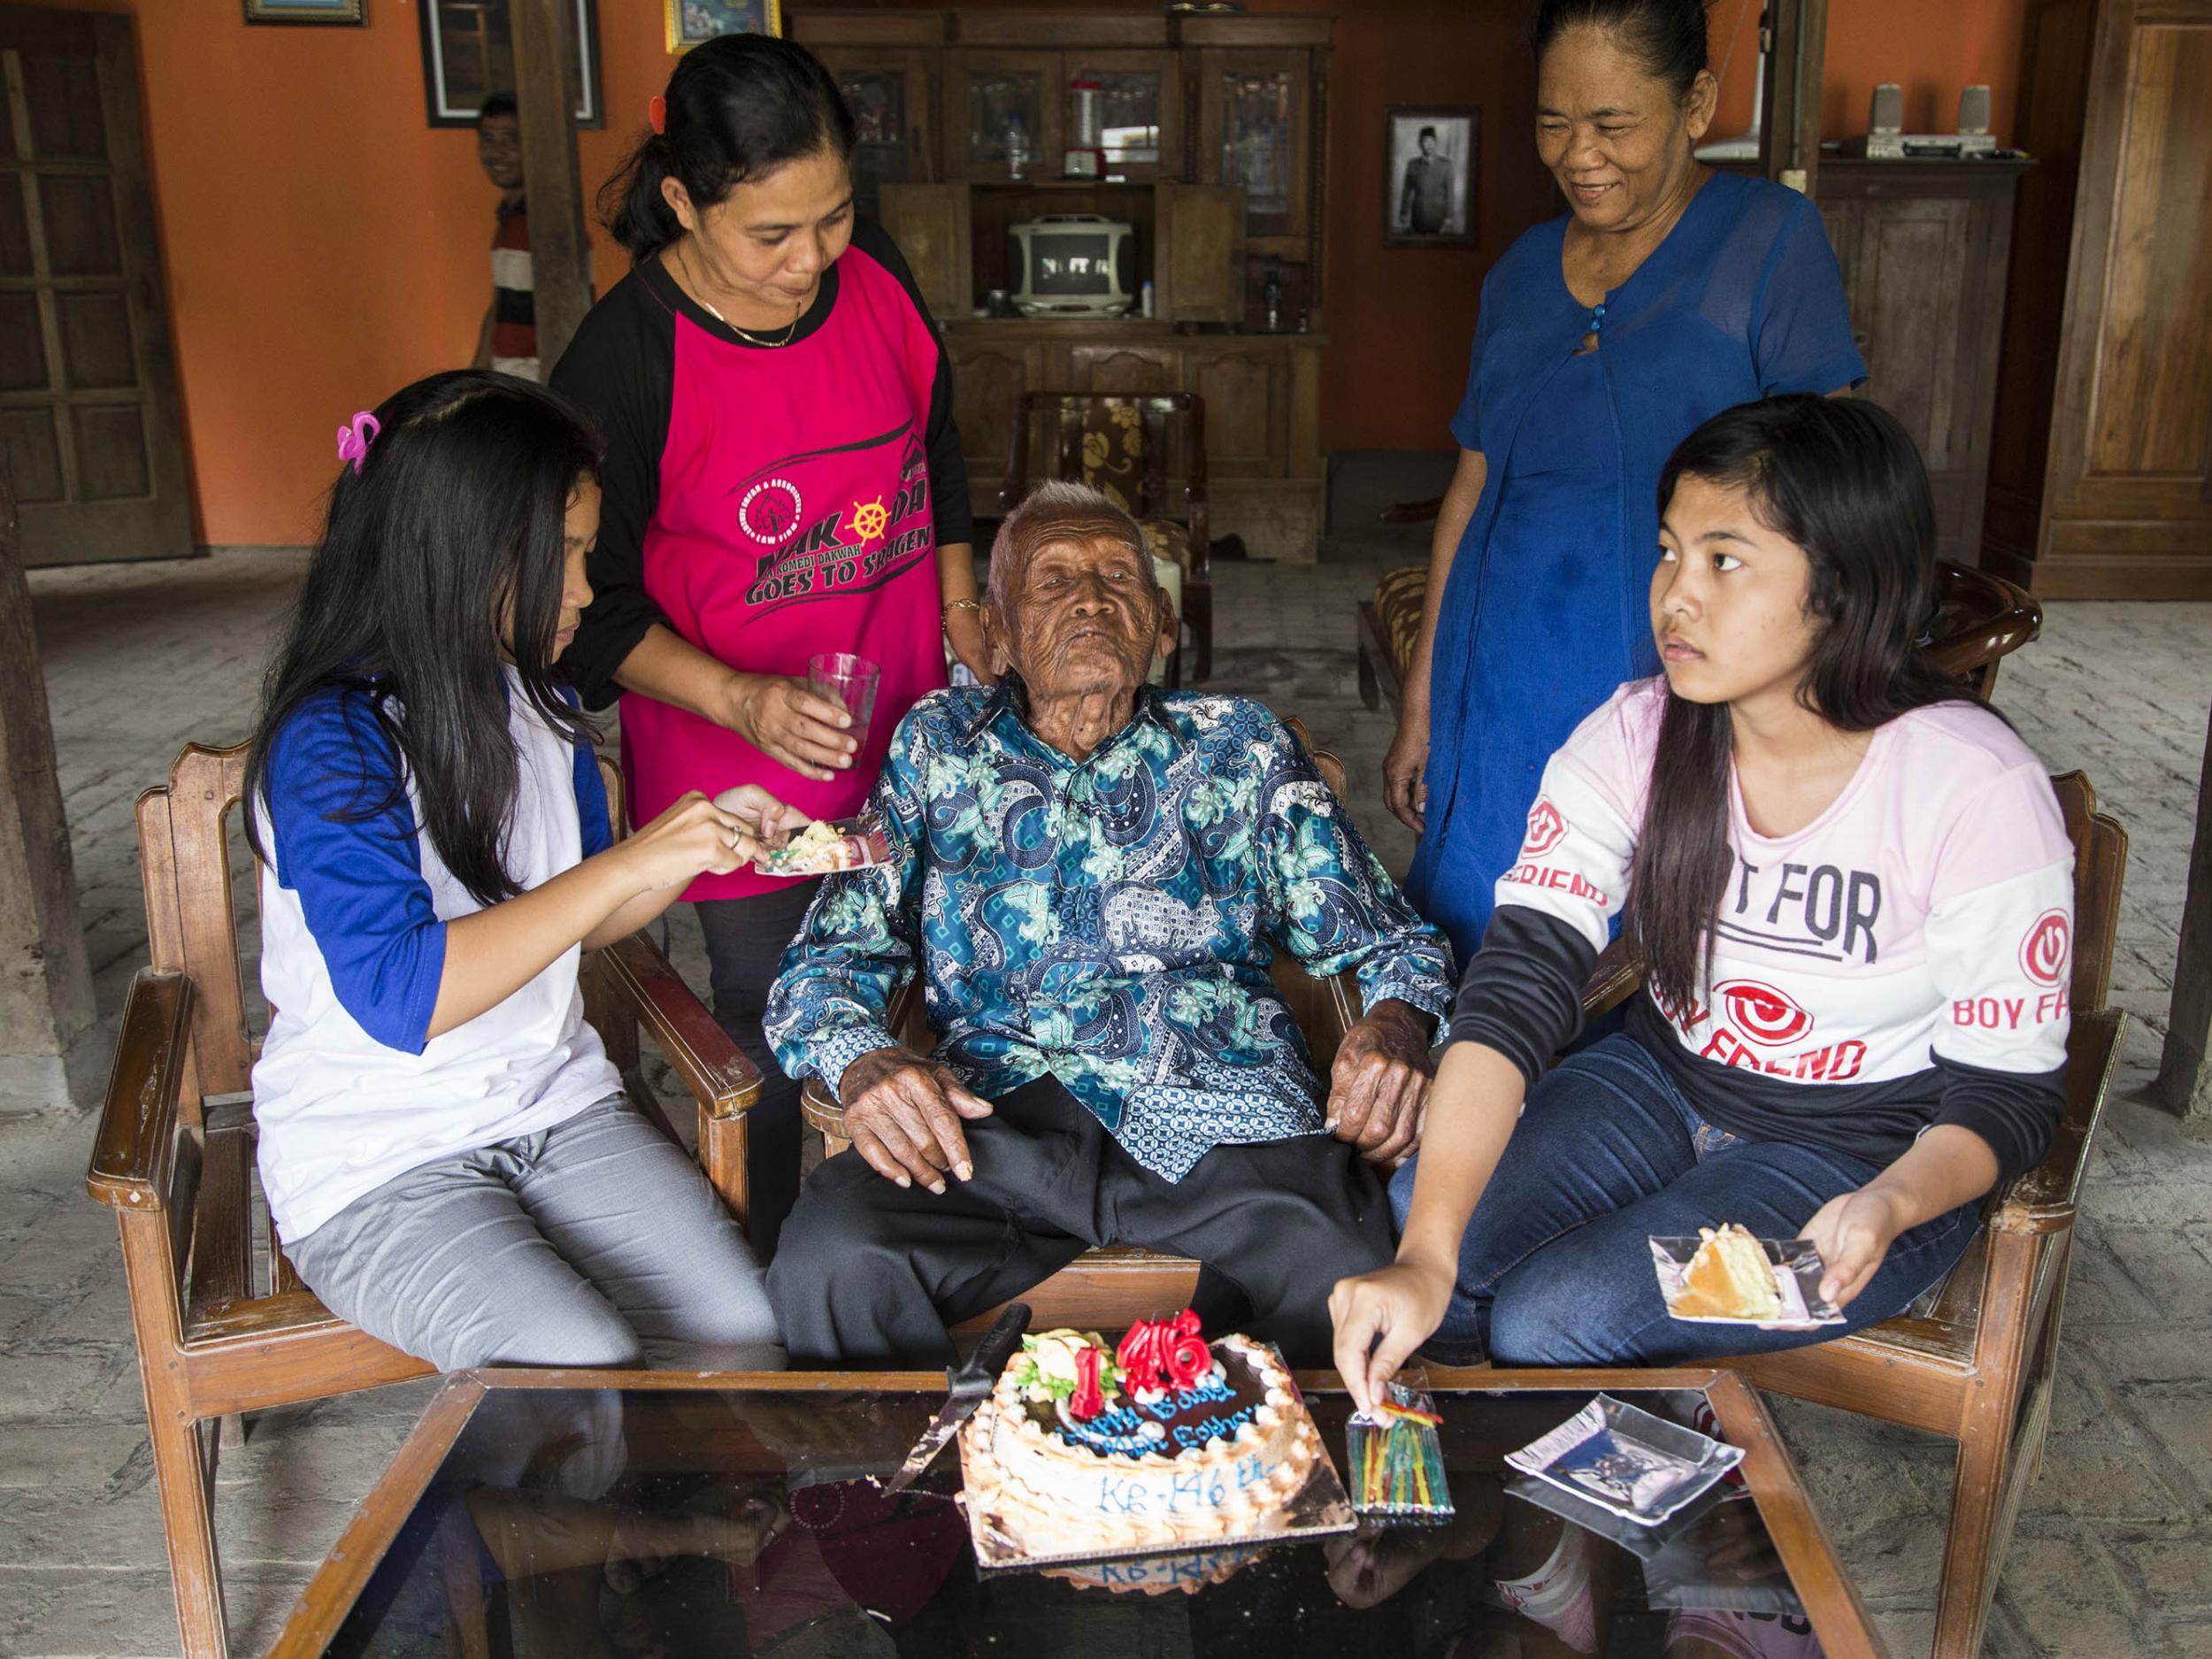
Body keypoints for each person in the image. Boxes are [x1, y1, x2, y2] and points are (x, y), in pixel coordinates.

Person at [1331, 396, 2075, 1401]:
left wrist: (1894, 1202)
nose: (1675, 596)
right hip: (1661, 1082)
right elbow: (1517, 985)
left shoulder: (1970, 787)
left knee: (1559, 1319)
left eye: (1725, 561)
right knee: (1429, 1225)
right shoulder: (1636, 735)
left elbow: (2010, 1092)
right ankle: (1485, 1517)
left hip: (1863, 1158)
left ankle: (1635, 1531)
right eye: (1670, 553)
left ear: (1846, 585)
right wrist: (1424, 1254)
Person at [761, 482, 1456, 1367]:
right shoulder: (937, 747)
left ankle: (1279, 1494)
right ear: (996, 634)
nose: (1091, 598)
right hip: (993, 1122)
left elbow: (1393, 943)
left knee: (1343, 1267)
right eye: (1052, 581)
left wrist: (1394, 1029)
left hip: (1222, 1116)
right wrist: (861, 1060)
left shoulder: (1238, 745)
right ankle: (891, 1500)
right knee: (832, 1257)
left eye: (1118, 575)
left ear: (1160, 621)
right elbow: (828, 957)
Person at [243, 370, 795, 1372]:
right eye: (569, 556)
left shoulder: (536, 708)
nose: (587, 590)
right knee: (568, 1363)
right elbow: (405, 994)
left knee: (741, 1331)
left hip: (552, 1106)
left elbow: (573, 925)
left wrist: (689, 845)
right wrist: (632, 858)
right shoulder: (337, 743)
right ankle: (574, 1525)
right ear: (469, 558)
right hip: (375, 1157)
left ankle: (678, 1526)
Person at [551, 35, 986, 1261]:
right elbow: (592, 601)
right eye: (771, 236)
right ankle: (791, 1284)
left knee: (940, 987)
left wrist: (960, 601)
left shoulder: (866, 268)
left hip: (907, 724)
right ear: (683, 201)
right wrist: (738, 697)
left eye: (834, 219)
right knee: (780, 1022)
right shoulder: (623, 362)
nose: (811, 261)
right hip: (744, 778)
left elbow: (934, 443)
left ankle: (929, 1251)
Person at [1386, 0, 1866, 961]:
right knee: (1479, 945)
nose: (1578, 155)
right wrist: (1422, 704)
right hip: (1503, 679)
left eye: (1612, 123)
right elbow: (1470, 494)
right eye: (1553, 122)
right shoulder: (1520, 273)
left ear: (1695, 104)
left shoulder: (1766, 240)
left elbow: (1833, 496)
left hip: (1668, 677)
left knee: (1635, 949)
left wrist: (1802, 720)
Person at [471, 93, 539, 381]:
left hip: (537, 384)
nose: (496, 152)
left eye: (511, 140)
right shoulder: (509, 217)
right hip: (509, 380)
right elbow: (501, 304)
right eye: (488, 138)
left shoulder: (542, 222)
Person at [1398, 126, 1454, 235]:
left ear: (1436, 143)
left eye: (1432, 141)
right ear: (1420, 144)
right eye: (1425, 141)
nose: (1429, 145)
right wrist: (1403, 212)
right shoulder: (1412, 165)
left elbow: (1450, 193)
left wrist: (1449, 216)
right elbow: (1406, 191)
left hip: (1438, 217)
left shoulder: (1446, 165)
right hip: (1418, 216)